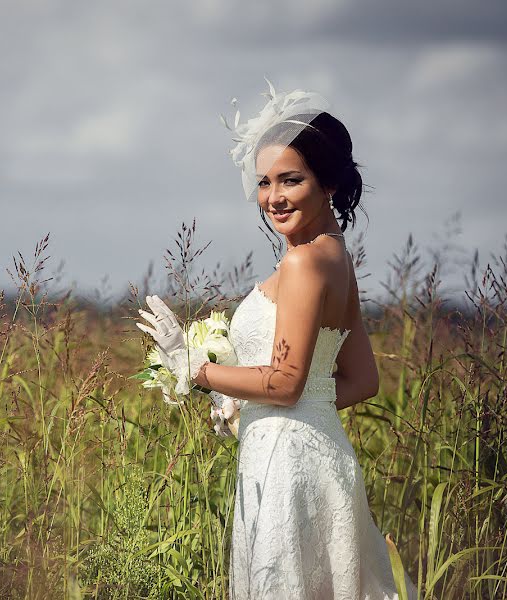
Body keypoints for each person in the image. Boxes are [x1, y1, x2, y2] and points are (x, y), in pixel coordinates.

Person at [137, 84, 419, 598]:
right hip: (322, 458)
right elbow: (362, 380)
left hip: (287, 469)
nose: (273, 198)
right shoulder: (337, 257)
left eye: (291, 180)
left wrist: (193, 370)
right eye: (265, 183)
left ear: (328, 181)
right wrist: (247, 406)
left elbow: (286, 382)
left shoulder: (304, 262)